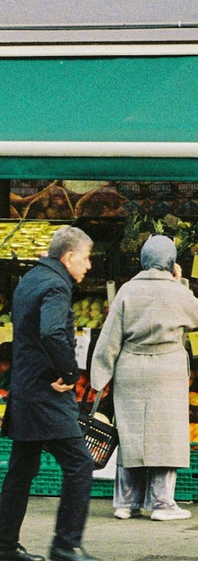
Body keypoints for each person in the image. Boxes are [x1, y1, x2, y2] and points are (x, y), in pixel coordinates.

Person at [90, 235, 198, 522]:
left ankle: (125, 502)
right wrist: (180, 282)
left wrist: (99, 377)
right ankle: (162, 503)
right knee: (164, 436)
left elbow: (109, 338)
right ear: (172, 262)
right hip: (167, 369)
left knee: (131, 434)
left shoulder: (127, 291)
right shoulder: (176, 291)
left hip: (130, 367)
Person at [0, 227, 102, 561]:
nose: (88, 266)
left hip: (26, 389)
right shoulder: (57, 285)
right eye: (85, 258)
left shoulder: (31, 278)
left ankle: (3, 545)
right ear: (69, 256)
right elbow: (53, 331)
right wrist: (69, 373)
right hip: (47, 392)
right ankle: (66, 545)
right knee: (79, 464)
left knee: (21, 469)